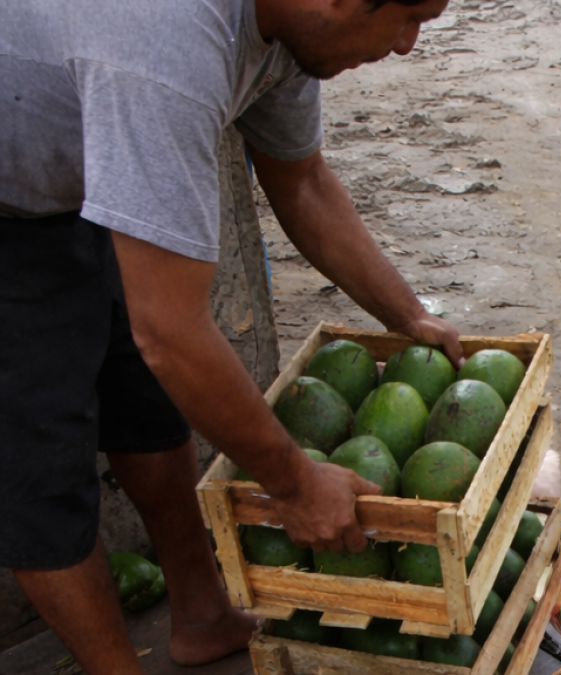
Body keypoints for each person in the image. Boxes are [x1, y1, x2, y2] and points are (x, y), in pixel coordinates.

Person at [0, 0, 457, 672]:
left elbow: (301, 180)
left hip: (79, 165)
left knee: (145, 402)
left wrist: (409, 315)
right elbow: (171, 331)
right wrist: (294, 483)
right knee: (37, 465)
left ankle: (203, 613)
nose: (409, 44)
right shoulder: (167, 52)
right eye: (409, 15)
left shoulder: (290, 34)